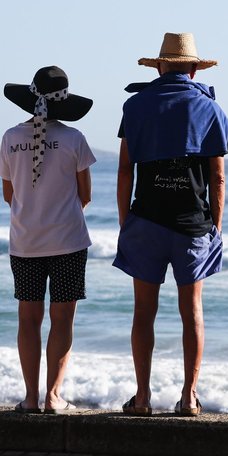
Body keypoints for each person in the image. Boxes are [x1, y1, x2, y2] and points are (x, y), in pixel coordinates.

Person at [114, 32, 228, 417]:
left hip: (145, 219)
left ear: (160, 66)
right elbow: (217, 178)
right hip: (191, 225)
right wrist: (215, 225)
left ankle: (143, 396)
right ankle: (189, 396)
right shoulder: (210, 109)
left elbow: (124, 171)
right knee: (191, 311)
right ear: (194, 69)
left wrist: (124, 220)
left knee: (143, 312)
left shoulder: (135, 106)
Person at [1, 66, 95, 414]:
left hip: (25, 242)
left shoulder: (10, 137)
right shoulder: (74, 139)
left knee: (27, 319)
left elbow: (8, 194)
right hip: (68, 241)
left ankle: (29, 397)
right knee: (62, 320)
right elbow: (85, 195)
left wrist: (34, 210)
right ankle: (53, 397)